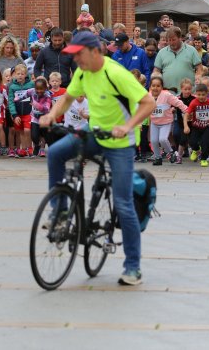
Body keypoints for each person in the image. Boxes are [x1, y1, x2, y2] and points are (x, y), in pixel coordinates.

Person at [39, 30, 155, 286]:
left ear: (94, 52)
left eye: (78, 54)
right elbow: (67, 98)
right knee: (55, 152)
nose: (75, 60)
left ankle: (132, 267)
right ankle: (60, 212)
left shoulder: (116, 74)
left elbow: (148, 102)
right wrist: (52, 115)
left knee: (123, 204)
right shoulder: (82, 72)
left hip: (120, 143)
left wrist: (128, 126)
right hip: (94, 133)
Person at [147, 76, 188, 165]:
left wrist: (186, 110)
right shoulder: (147, 96)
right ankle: (158, 157)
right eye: (153, 86)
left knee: (162, 139)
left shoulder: (166, 95)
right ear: (150, 87)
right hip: (154, 122)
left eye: (158, 86)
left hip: (166, 122)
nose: (155, 88)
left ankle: (171, 152)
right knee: (153, 141)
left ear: (162, 87)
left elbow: (178, 102)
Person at [153, 26, 201, 93]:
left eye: (173, 40)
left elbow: (199, 68)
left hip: (188, 93)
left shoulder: (191, 50)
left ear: (180, 38)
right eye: (169, 40)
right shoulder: (161, 52)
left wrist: (198, 76)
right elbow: (156, 70)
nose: (171, 43)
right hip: (168, 93)